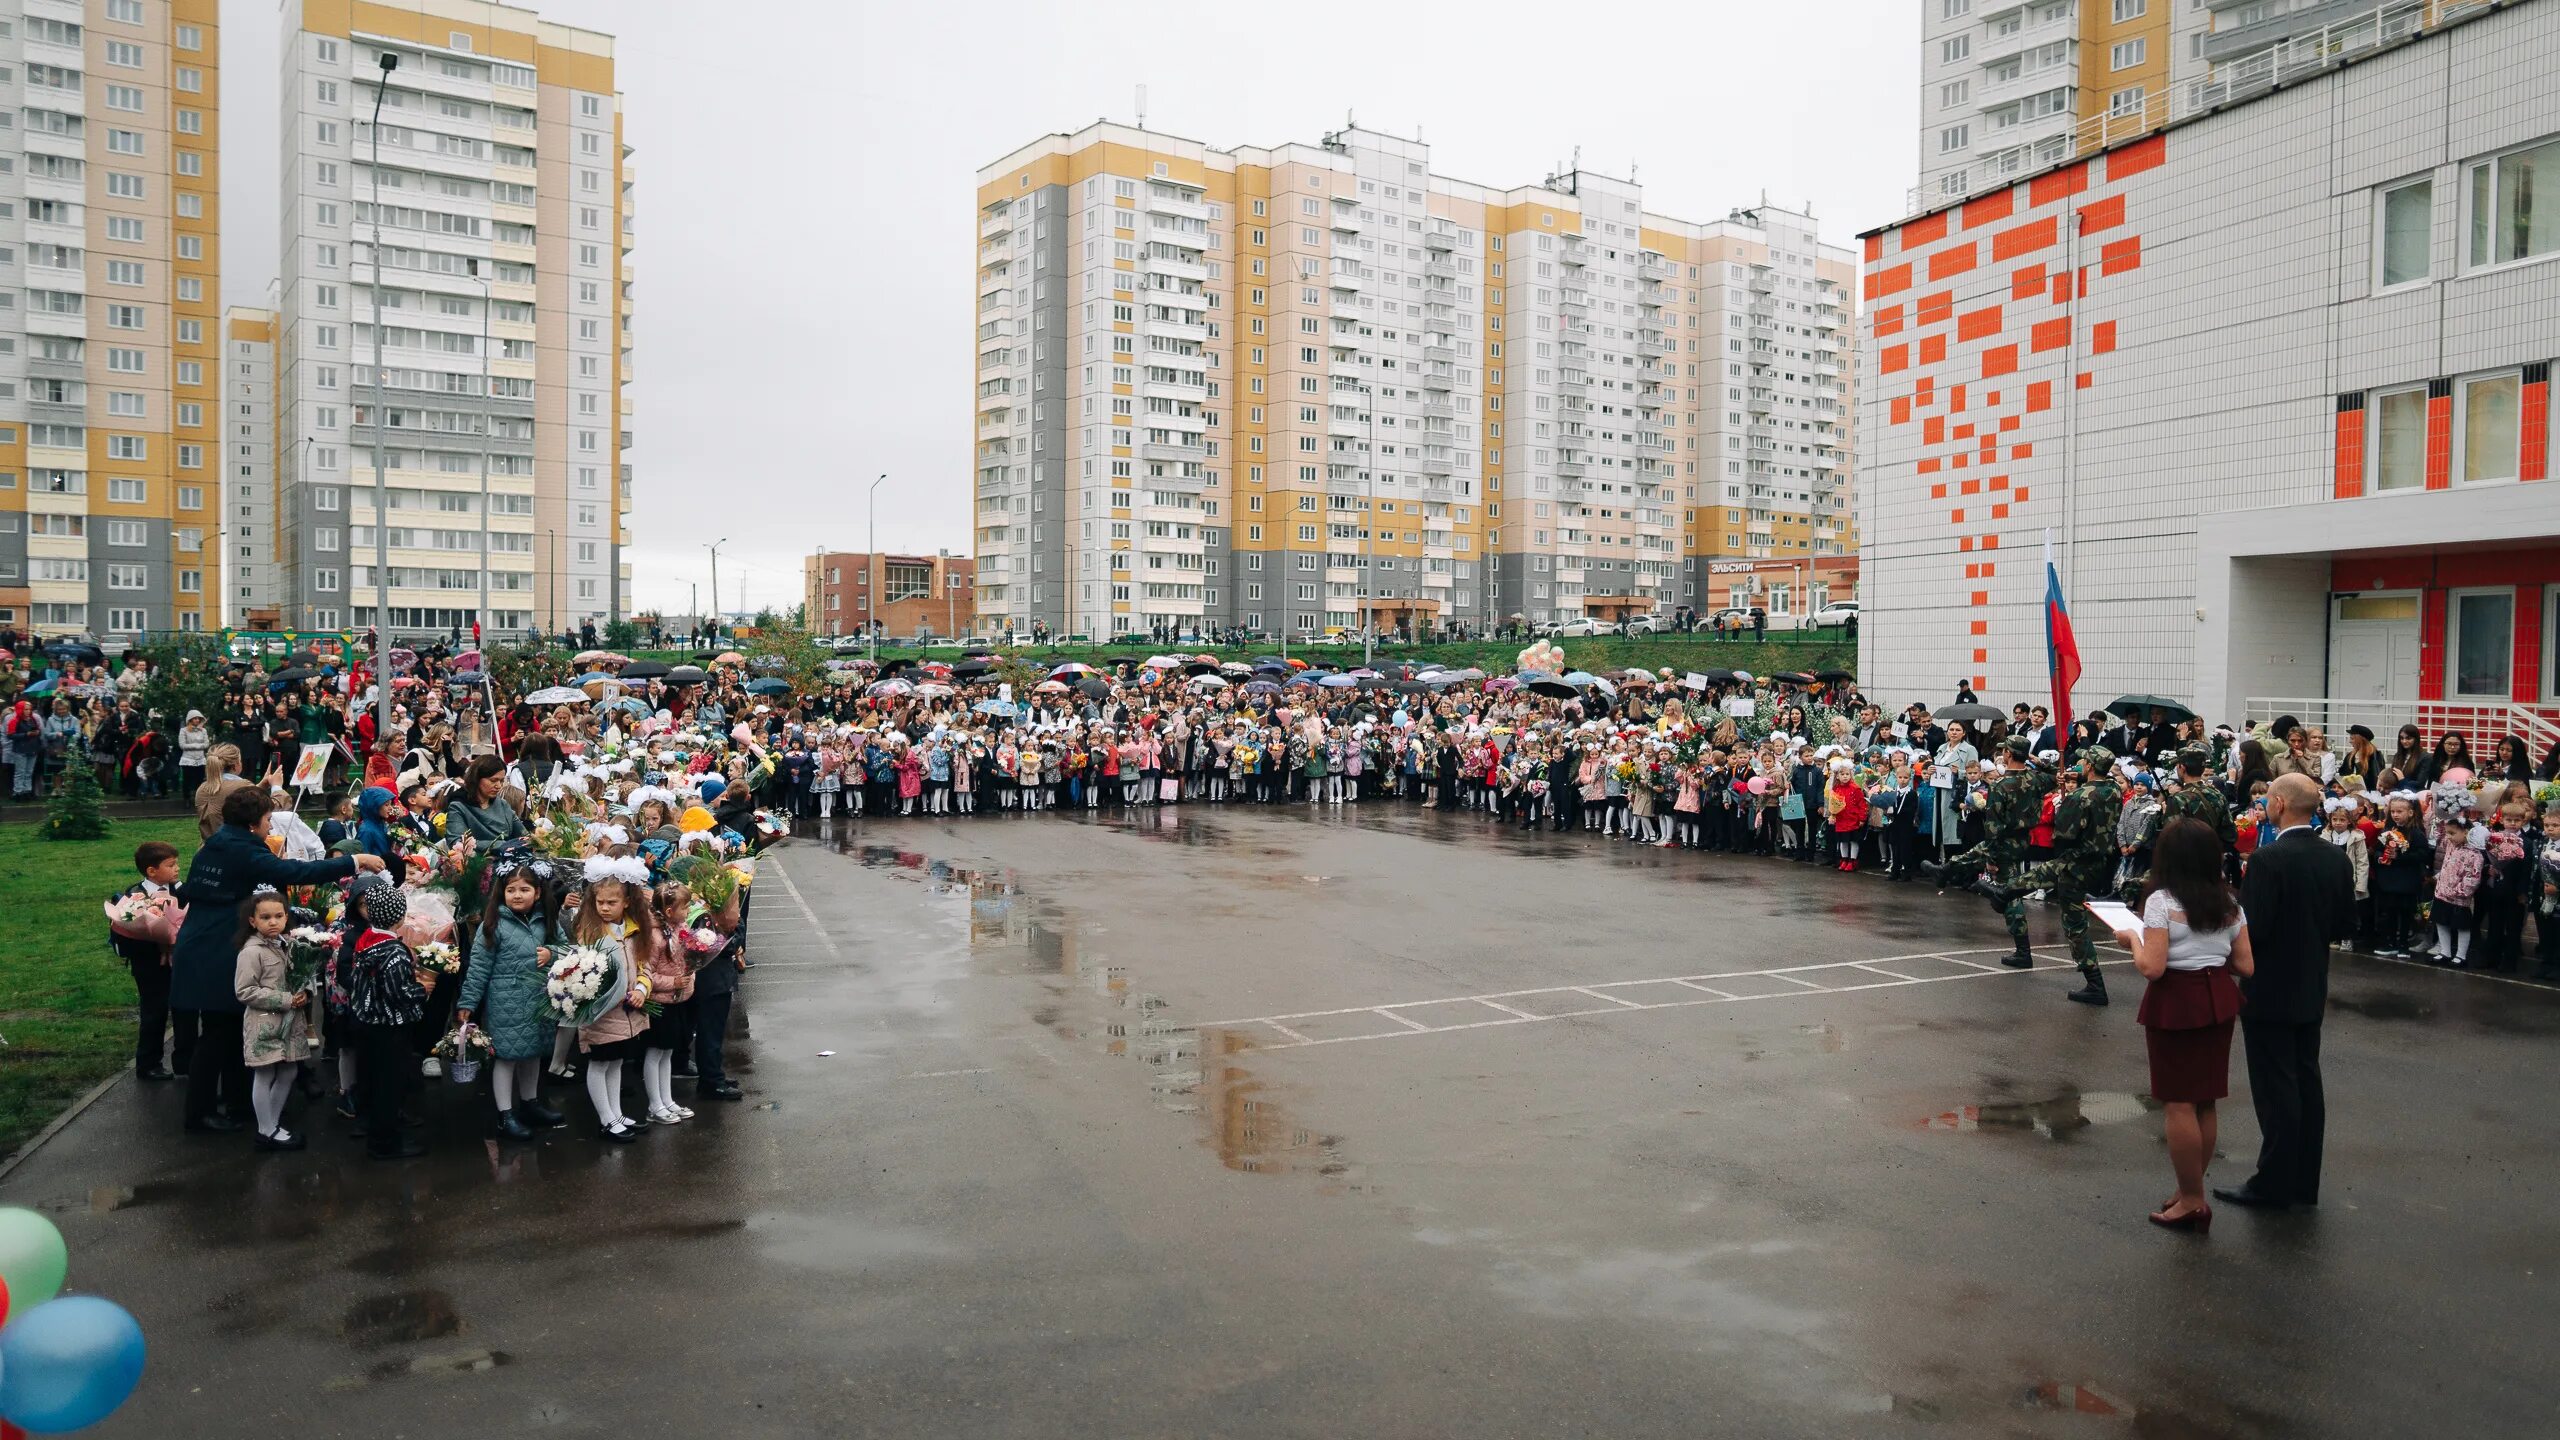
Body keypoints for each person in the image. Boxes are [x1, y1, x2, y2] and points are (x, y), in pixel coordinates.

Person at [171, 787, 379, 1133]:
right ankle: (200, 1113)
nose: (271, 827)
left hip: (203, 944)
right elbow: (296, 873)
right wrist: (354, 861)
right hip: (215, 951)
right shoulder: (241, 850)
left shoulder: (220, 842)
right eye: (268, 820)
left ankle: (238, 1102)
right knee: (217, 1034)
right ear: (253, 824)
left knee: (229, 1029)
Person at [2215, 772, 2353, 1214]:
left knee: (2276, 1090)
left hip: (2270, 986)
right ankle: (2302, 1183)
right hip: (2312, 981)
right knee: (2306, 1083)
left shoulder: (2270, 859)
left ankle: (2271, 1183)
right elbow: (2346, 925)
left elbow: (2251, 928)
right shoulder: (2335, 858)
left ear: (2278, 803)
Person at [2109, 816, 2253, 1233]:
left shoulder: (2160, 902)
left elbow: (2152, 968)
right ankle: (2191, 1189)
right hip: (2218, 999)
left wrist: (2130, 939)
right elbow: (2245, 964)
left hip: (2177, 1000)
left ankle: (2191, 1199)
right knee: (2205, 1099)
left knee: (2177, 1102)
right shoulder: (2230, 903)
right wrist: (2209, 953)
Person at [456, 854, 569, 1140]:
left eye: (524, 889)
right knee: (506, 1057)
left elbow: (568, 950)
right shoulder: (493, 925)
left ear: (538, 892)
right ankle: (505, 1114)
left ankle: (529, 1103)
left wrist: (551, 953)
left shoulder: (547, 921)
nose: (517, 895)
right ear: (502, 892)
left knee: (532, 1054)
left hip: (539, 999)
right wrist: (468, 1002)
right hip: (506, 1002)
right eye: (511, 889)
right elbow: (479, 967)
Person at [346, 882, 436, 1160]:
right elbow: (399, 993)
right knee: (389, 1084)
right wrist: (422, 988)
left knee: (374, 1080)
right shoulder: (394, 952)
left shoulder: (366, 940)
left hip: (367, 1021)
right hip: (390, 1025)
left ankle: (379, 1132)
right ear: (399, 916)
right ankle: (385, 1143)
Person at [233, 888, 320, 1152]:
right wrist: (284, 999)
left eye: (278, 916)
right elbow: (245, 991)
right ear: (253, 921)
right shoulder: (251, 952)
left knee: (289, 1070)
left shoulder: (287, 945)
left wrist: (303, 993)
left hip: (289, 1022)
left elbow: (299, 977)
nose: (273, 922)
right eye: (265, 917)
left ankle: (270, 1123)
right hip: (265, 1023)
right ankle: (266, 1130)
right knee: (265, 1072)